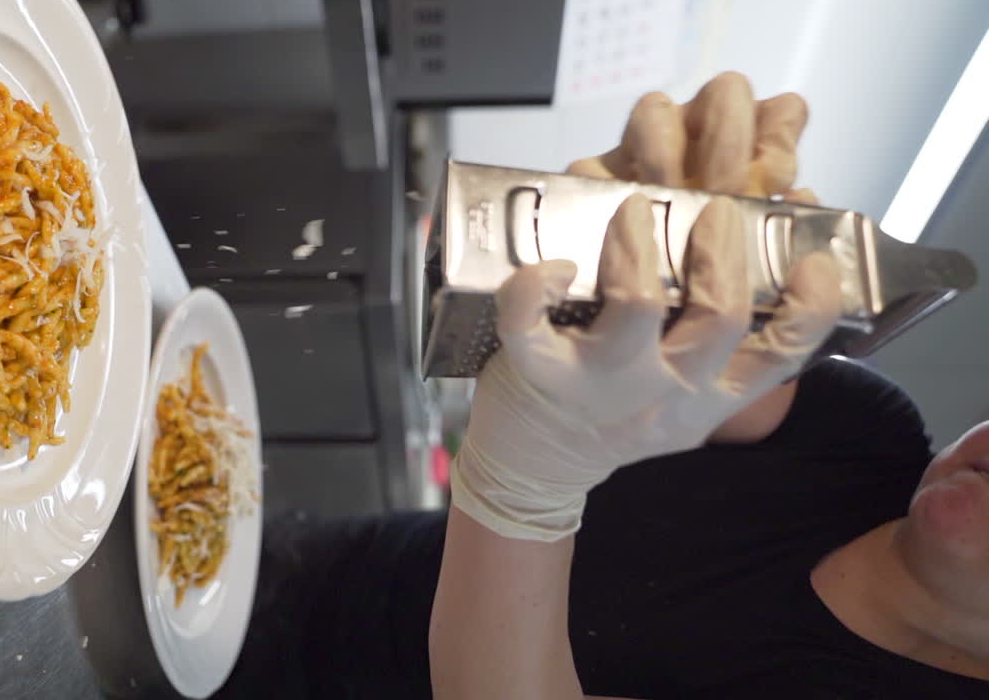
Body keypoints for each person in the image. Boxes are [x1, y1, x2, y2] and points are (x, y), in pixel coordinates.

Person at [214, 72, 989, 699]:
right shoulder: (868, 435)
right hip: (318, 565)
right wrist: (646, 222)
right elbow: (679, 356)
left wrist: (525, 486)